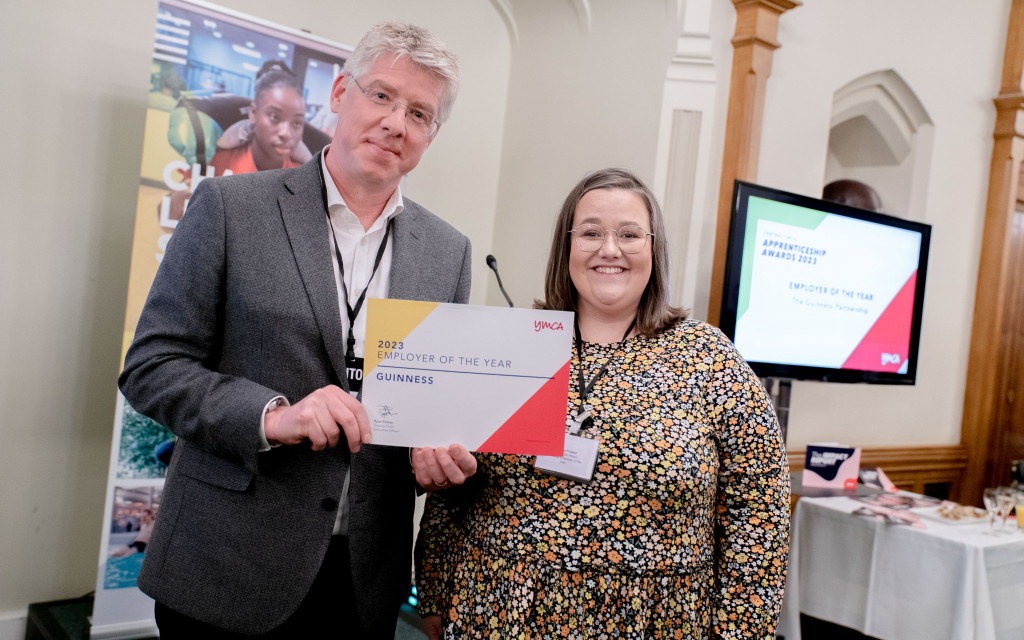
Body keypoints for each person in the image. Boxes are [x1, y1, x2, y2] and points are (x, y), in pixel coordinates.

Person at [119, 22, 477, 639]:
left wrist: (440, 451)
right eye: (383, 95)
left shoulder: (450, 252)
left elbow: (434, 406)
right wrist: (272, 415)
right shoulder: (231, 208)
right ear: (340, 94)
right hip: (226, 562)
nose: (397, 122)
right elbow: (151, 367)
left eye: (420, 113)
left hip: (364, 578)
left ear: (432, 134)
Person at [415, 168, 791, 639]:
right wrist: (433, 591)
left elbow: (759, 509)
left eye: (630, 234)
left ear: (654, 250)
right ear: (566, 248)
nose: (609, 249)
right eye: (591, 232)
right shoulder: (511, 344)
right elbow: (455, 490)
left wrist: (741, 630)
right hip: (497, 611)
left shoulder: (709, 358)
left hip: (655, 621)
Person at [210, 62, 311, 175]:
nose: (286, 133)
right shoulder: (225, 158)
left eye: (296, 123)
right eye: (275, 117)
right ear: (253, 112)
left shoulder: (302, 173)